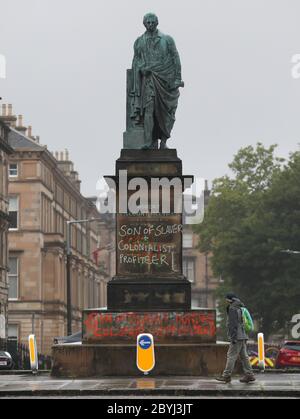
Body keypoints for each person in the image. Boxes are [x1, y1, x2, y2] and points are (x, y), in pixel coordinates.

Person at [130, 13, 184, 150]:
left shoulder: (167, 39)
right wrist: (142, 69)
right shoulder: (139, 41)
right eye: (147, 22)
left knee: (168, 112)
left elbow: (175, 58)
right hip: (149, 80)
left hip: (166, 81)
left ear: (157, 22)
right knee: (149, 110)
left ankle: (163, 142)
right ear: (144, 24)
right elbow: (136, 62)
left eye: (152, 22)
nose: (150, 24)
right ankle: (149, 141)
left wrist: (177, 78)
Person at [216, 293, 256, 384]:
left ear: (230, 299)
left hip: (237, 336)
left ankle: (226, 376)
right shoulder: (240, 307)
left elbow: (233, 324)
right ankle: (249, 374)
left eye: (227, 299)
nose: (226, 301)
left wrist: (233, 337)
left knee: (231, 355)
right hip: (243, 335)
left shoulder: (232, 308)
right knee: (244, 356)